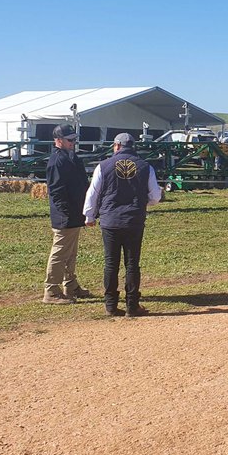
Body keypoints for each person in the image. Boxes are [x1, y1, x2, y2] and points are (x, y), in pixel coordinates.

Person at [83, 132, 161, 317]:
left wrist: (89, 216)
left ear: (117, 146)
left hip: (110, 220)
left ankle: (110, 304)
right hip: (134, 220)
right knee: (132, 263)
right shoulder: (145, 167)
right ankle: (132, 306)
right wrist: (143, 203)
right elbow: (156, 196)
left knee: (111, 263)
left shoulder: (103, 166)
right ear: (132, 146)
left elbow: (93, 192)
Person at [43, 124, 93, 304]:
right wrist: (65, 212)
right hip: (65, 215)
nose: (73, 143)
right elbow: (56, 191)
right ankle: (52, 290)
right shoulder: (57, 161)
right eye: (70, 140)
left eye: (74, 140)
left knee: (70, 252)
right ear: (58, 141)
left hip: (73, 213)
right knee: (59, 252)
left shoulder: (69, 157)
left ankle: (70, 284)